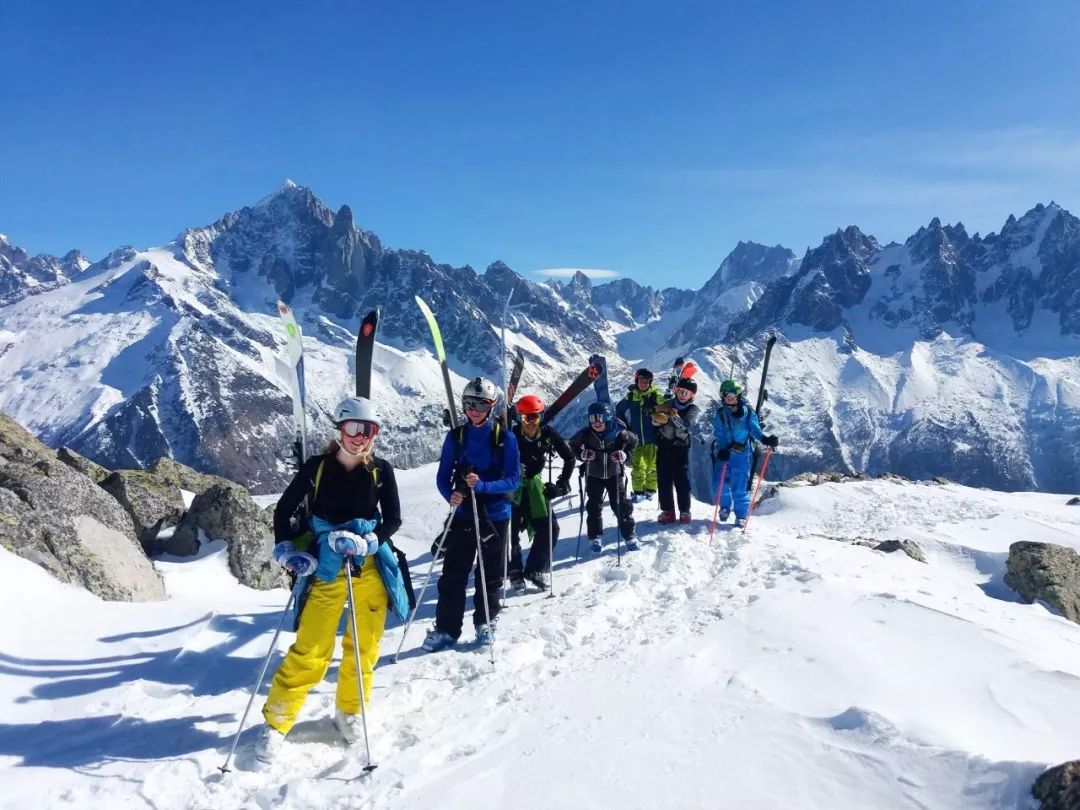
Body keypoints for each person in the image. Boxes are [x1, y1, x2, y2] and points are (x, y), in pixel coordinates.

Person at [256, 396, 404, 767]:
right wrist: (286, 548)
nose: (360, 437)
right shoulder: (317, 467)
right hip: (326, 565)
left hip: (367, 567)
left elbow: (393, 519)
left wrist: (371, 541)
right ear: (339, 428)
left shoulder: (381, 470)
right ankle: (276, 722)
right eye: (354, 428)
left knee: (365, 649)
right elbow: (284, 509)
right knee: (312, 649)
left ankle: (350, 712)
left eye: (369, 430)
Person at [423, 377, 521, 652]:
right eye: (469, 403)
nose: (474, 409)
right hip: (465, 513)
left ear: (492, 407)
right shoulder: (456, 437)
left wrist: (484, 486)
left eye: (481, 404)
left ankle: (485, 623)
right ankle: (446, 628)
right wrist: (451, 496)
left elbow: (514, 479)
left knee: (489, 574)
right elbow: (443, 477)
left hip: (495, 514)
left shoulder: (505, 437)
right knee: (453, 572)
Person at [508, 394, 575, 591]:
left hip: (536, 488)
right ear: (519, 417)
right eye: (525, 417)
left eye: (534, 417)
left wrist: (561, 485)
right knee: (512, 533)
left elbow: (569, 458)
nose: (530, 422)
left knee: (550, 529)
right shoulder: (511, 437)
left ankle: (535, 569)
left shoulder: (548, 434)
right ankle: (515, 572)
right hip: (513, 488)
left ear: (540, 417)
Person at [567, 401, 638, 553]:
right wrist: (582, 455)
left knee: (621, 505)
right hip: (594, 475)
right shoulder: (586, 433)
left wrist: (625, 456)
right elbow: (572, 444)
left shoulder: (621, 433)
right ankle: (595, 537)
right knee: (594, 506)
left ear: (608, 417)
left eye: (600, 418)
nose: (596, 422)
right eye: (592, 419)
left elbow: (634, 442)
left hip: (614, 474)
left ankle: (629, 535)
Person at [711, 380, 779, 529]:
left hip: (741, 454)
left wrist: (765, 439)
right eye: (726, 396)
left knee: (740, 487)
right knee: (719, 483)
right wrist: (722, 449)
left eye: (732, 396)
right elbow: (720, 433)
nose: (730, 399)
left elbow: (754, 430)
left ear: (738, 396)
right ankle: (725, 506)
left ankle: (741, 516)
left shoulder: (747, 413)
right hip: (725, 453)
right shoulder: (721, 414)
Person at [652, 377, 700, 524]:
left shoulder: (693, 410)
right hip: (664, 446)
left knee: (681, 480)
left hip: (680, 449)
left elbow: (686, 425)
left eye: (686, 392)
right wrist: (655, 420)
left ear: (692, 395)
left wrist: (674, 415)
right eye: (680, 391)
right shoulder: (667, 404)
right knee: (664, 480)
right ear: (675, 390)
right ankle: (668, 511)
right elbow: (655, 420)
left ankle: (685, 511)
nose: (682, 394)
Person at [615, 368, 662, 503]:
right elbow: (619, 410)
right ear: (636, 381)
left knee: (652, 466)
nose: (643, 384)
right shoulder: (631, 396)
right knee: (638, 466)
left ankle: (650, 491)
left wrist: (659, 410)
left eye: (647, 382)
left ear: (650, 383)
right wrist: (626, 426)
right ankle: (638, 492)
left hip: (652, 438)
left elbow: (664, 405)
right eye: (641, 381)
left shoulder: (654, 396)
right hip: (635, 439)